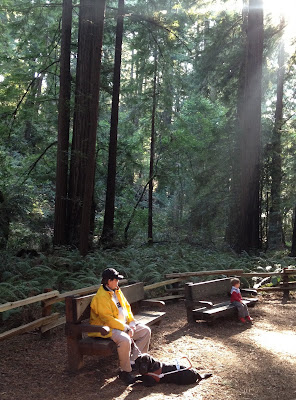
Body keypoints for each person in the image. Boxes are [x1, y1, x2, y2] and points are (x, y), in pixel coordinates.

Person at [89, 268, 151, 385]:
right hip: (105, 329)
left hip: (122, 326)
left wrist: (132, 323)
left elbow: (127, 307)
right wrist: (126, 328)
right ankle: (125, 371)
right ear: (108, 281)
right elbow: (107, 319)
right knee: (125, 339)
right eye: (116, 279)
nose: (118, 281)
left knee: (145, 331)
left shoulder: (117, 290)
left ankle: (135, 362)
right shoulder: (101, 297)